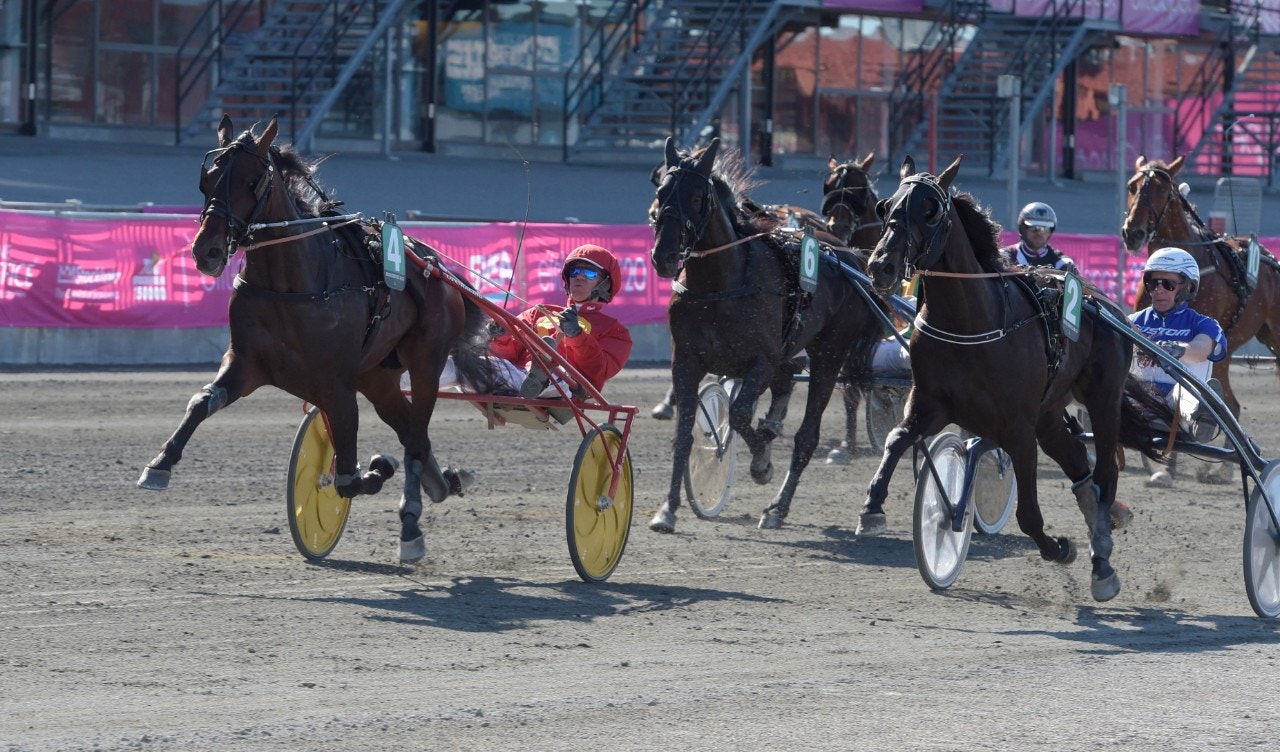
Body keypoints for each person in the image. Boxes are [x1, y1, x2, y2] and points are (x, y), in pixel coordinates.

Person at [1129, 248, 1229, 488]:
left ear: (1188, 288)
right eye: (1153, 283)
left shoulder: (1204, 324)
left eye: (1168, 284)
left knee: (1182, 392)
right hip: (1140, 402)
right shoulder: (1132, 322)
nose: (1158, 290)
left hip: (1181, 405)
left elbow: (1201, 349)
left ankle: (1202, 415)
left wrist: (1179, 350)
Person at [488, 244, 633, 400]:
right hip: (519, 377)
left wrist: (577, 336)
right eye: (575, 271)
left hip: (566, 387)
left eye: (590, 273)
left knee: (556, 375)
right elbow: (508, 357)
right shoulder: (537, 313)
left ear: (605, 284)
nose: (580, 276)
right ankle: (535, 377)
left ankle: (541, 377)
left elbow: (597, 372)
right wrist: (501, 339)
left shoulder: (615, 331)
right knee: (471, 363)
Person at [1001, 201, 1078, 273]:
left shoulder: (1063, 263)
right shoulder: (1004, 257)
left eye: (1044, 229)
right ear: (1023, 229)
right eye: (1034, 228)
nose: (1039, 233)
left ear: (1050, 232)